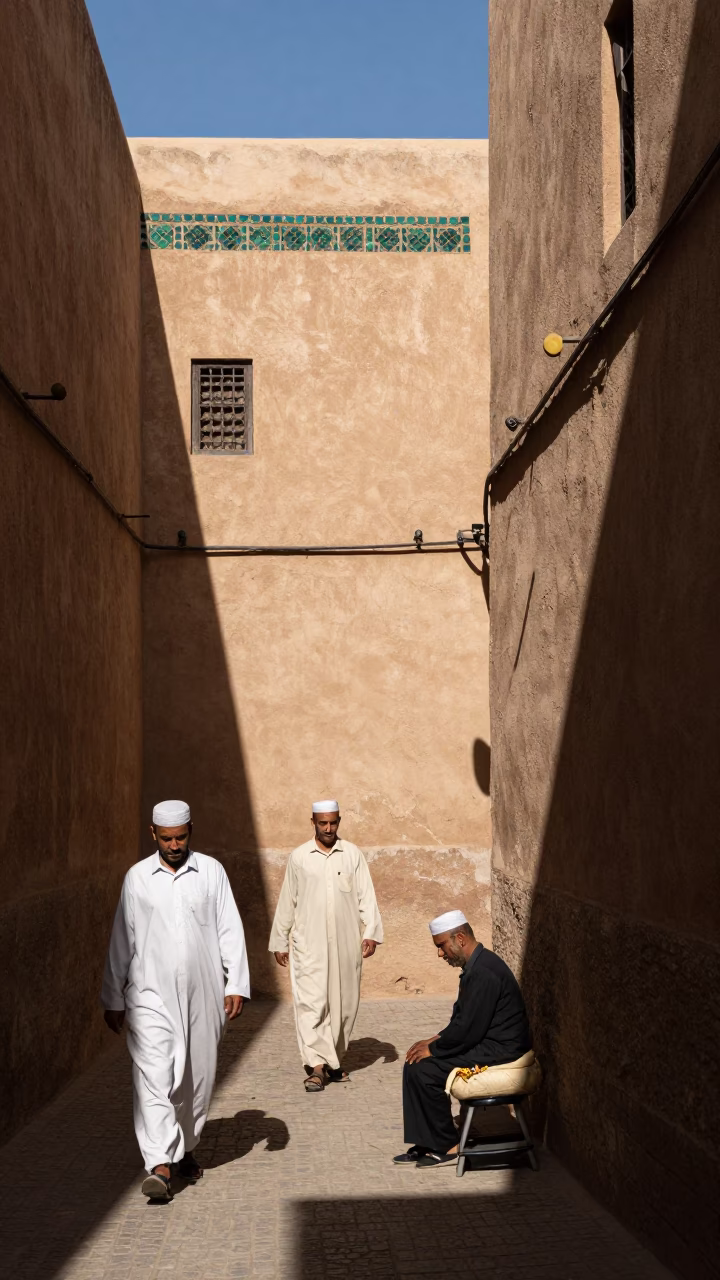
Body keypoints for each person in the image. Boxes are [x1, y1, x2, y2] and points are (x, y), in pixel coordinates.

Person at [102, 800, 250, 1201]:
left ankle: (183, 1148)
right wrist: (113, 994)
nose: (173, 844)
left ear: (190, 832)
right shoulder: (137, 879)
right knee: (153, 1075)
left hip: (203, 993)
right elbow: (123, 938)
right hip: (149, 994)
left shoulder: (210, 873)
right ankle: (160, 1165)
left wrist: (235, 982)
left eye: (180, 837)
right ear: (153, 834)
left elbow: (229, 929)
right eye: (166, 838)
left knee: (195, 1079)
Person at [394, 909, 532, 1167]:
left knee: (425, 1070)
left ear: (460, 938)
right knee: (416, 1062)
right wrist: (434, 1039)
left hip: (501, 1049)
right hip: (486, 1042)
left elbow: (469, 1030)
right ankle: (428, 1140)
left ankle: (447, 1145)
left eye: (442, 946)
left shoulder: (484, 972)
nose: (440, 954)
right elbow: (463, 1021)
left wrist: (435, 1050)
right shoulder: (477, 966)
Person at [269, 799, 383, 1093]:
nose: (329, 828)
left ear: (339, 821)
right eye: (323, 823)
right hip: (309, 943)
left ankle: (333, 1061)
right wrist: (280, 940)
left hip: (346, 944)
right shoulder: (299, 858)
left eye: (333, 823)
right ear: (313, 822)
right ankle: (317, 1066)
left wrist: (370, 931)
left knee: (344, 1004)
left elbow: (366, 896)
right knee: (311, 1003)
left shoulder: (352, 855)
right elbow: (287, 901)